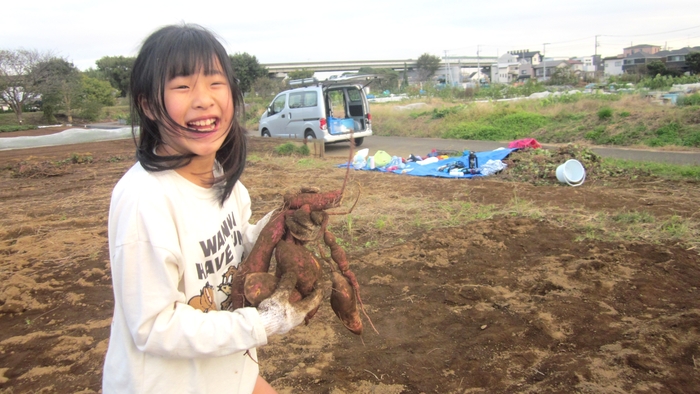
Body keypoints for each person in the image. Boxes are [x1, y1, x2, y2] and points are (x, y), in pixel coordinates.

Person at [102, 23, 323, 394]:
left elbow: (237, 246)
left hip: (222, 371)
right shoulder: (145, 200)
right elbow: (154, 327)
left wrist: (281, 223)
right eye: (183, 86)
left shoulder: (223, 179)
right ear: (146, 104)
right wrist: (261, 323)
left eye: (215, 83)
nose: (203, 99)